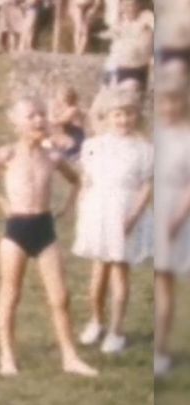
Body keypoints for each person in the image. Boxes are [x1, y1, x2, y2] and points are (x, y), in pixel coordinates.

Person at [0, 98, 98, 377]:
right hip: (16, 232)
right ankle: (7, 356)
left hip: (45, 230)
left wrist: (68, 206)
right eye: (31, 116)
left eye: (41, 115)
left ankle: (69, 357)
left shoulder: (53, 157)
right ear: (16, 123)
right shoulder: (7, 154)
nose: (38, 120)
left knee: (61, 297)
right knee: (11, 294)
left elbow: (78, 180)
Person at [73, 89, 153, 354]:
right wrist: (82, 211)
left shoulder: (144, 150)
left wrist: (133, 217)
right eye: (118, 114)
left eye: (129, 114)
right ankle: (96, 320)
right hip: (98, 211)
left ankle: (117, 330)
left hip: (125, 212)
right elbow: (86, 182)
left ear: (136, 116)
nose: (124, 120)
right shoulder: (94, 146)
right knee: (98, 272)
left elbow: (145, 187)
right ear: (107, 117)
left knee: (120, 270)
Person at [153, 65, 190, 376]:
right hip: (154, 207)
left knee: (164, 281)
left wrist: (177, 218)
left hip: (177, 210)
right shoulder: (156, 134)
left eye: (175, 101)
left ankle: (161, 349)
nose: (169, 107)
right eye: (163, 101)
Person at [47, 86, 86, 159]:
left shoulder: (73, 110)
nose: (57, 98)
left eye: (58, 95)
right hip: (68, 137)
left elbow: (56, 122)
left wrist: (50, 110)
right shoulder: (65, 109)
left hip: (76, 140)